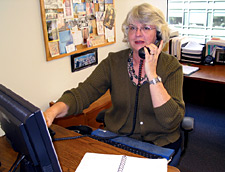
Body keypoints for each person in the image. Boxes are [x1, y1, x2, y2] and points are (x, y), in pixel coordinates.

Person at [44, 3, 185, 153]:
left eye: (145, 28)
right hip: (118, 139)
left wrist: (152, 75)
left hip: (159, 145)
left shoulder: (171, 67)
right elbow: (83, 93)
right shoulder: (113, 62)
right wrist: (50, 113)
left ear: (158, 35)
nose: (137, 33)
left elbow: (171, 120)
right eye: (132, 28)